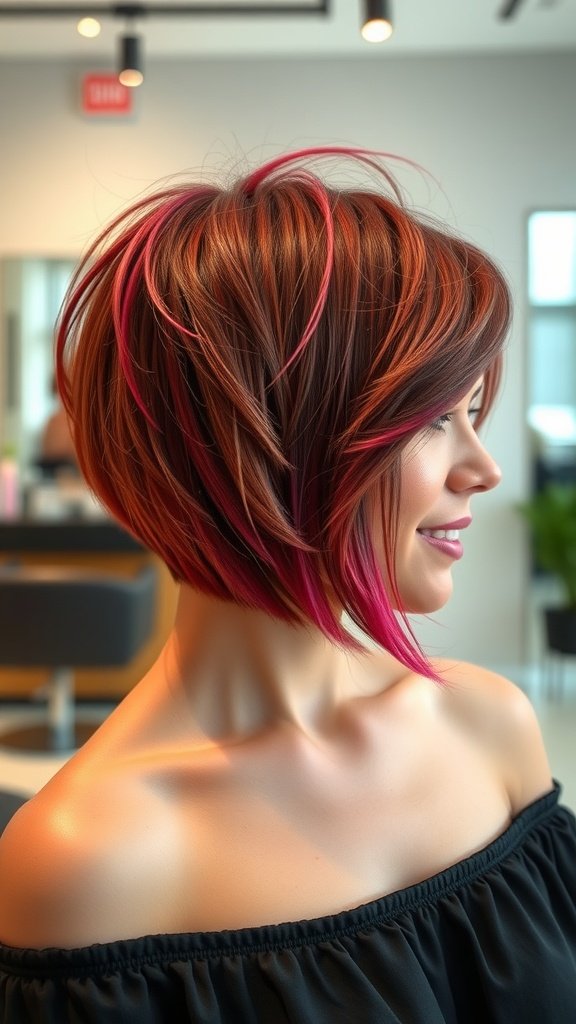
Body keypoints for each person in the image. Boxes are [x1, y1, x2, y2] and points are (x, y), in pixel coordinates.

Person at [0, 146, 574, 1023]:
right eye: (430, 420)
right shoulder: (89, 861)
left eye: (473, 415)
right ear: (273, 439)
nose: (483, 469)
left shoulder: (490, 727)